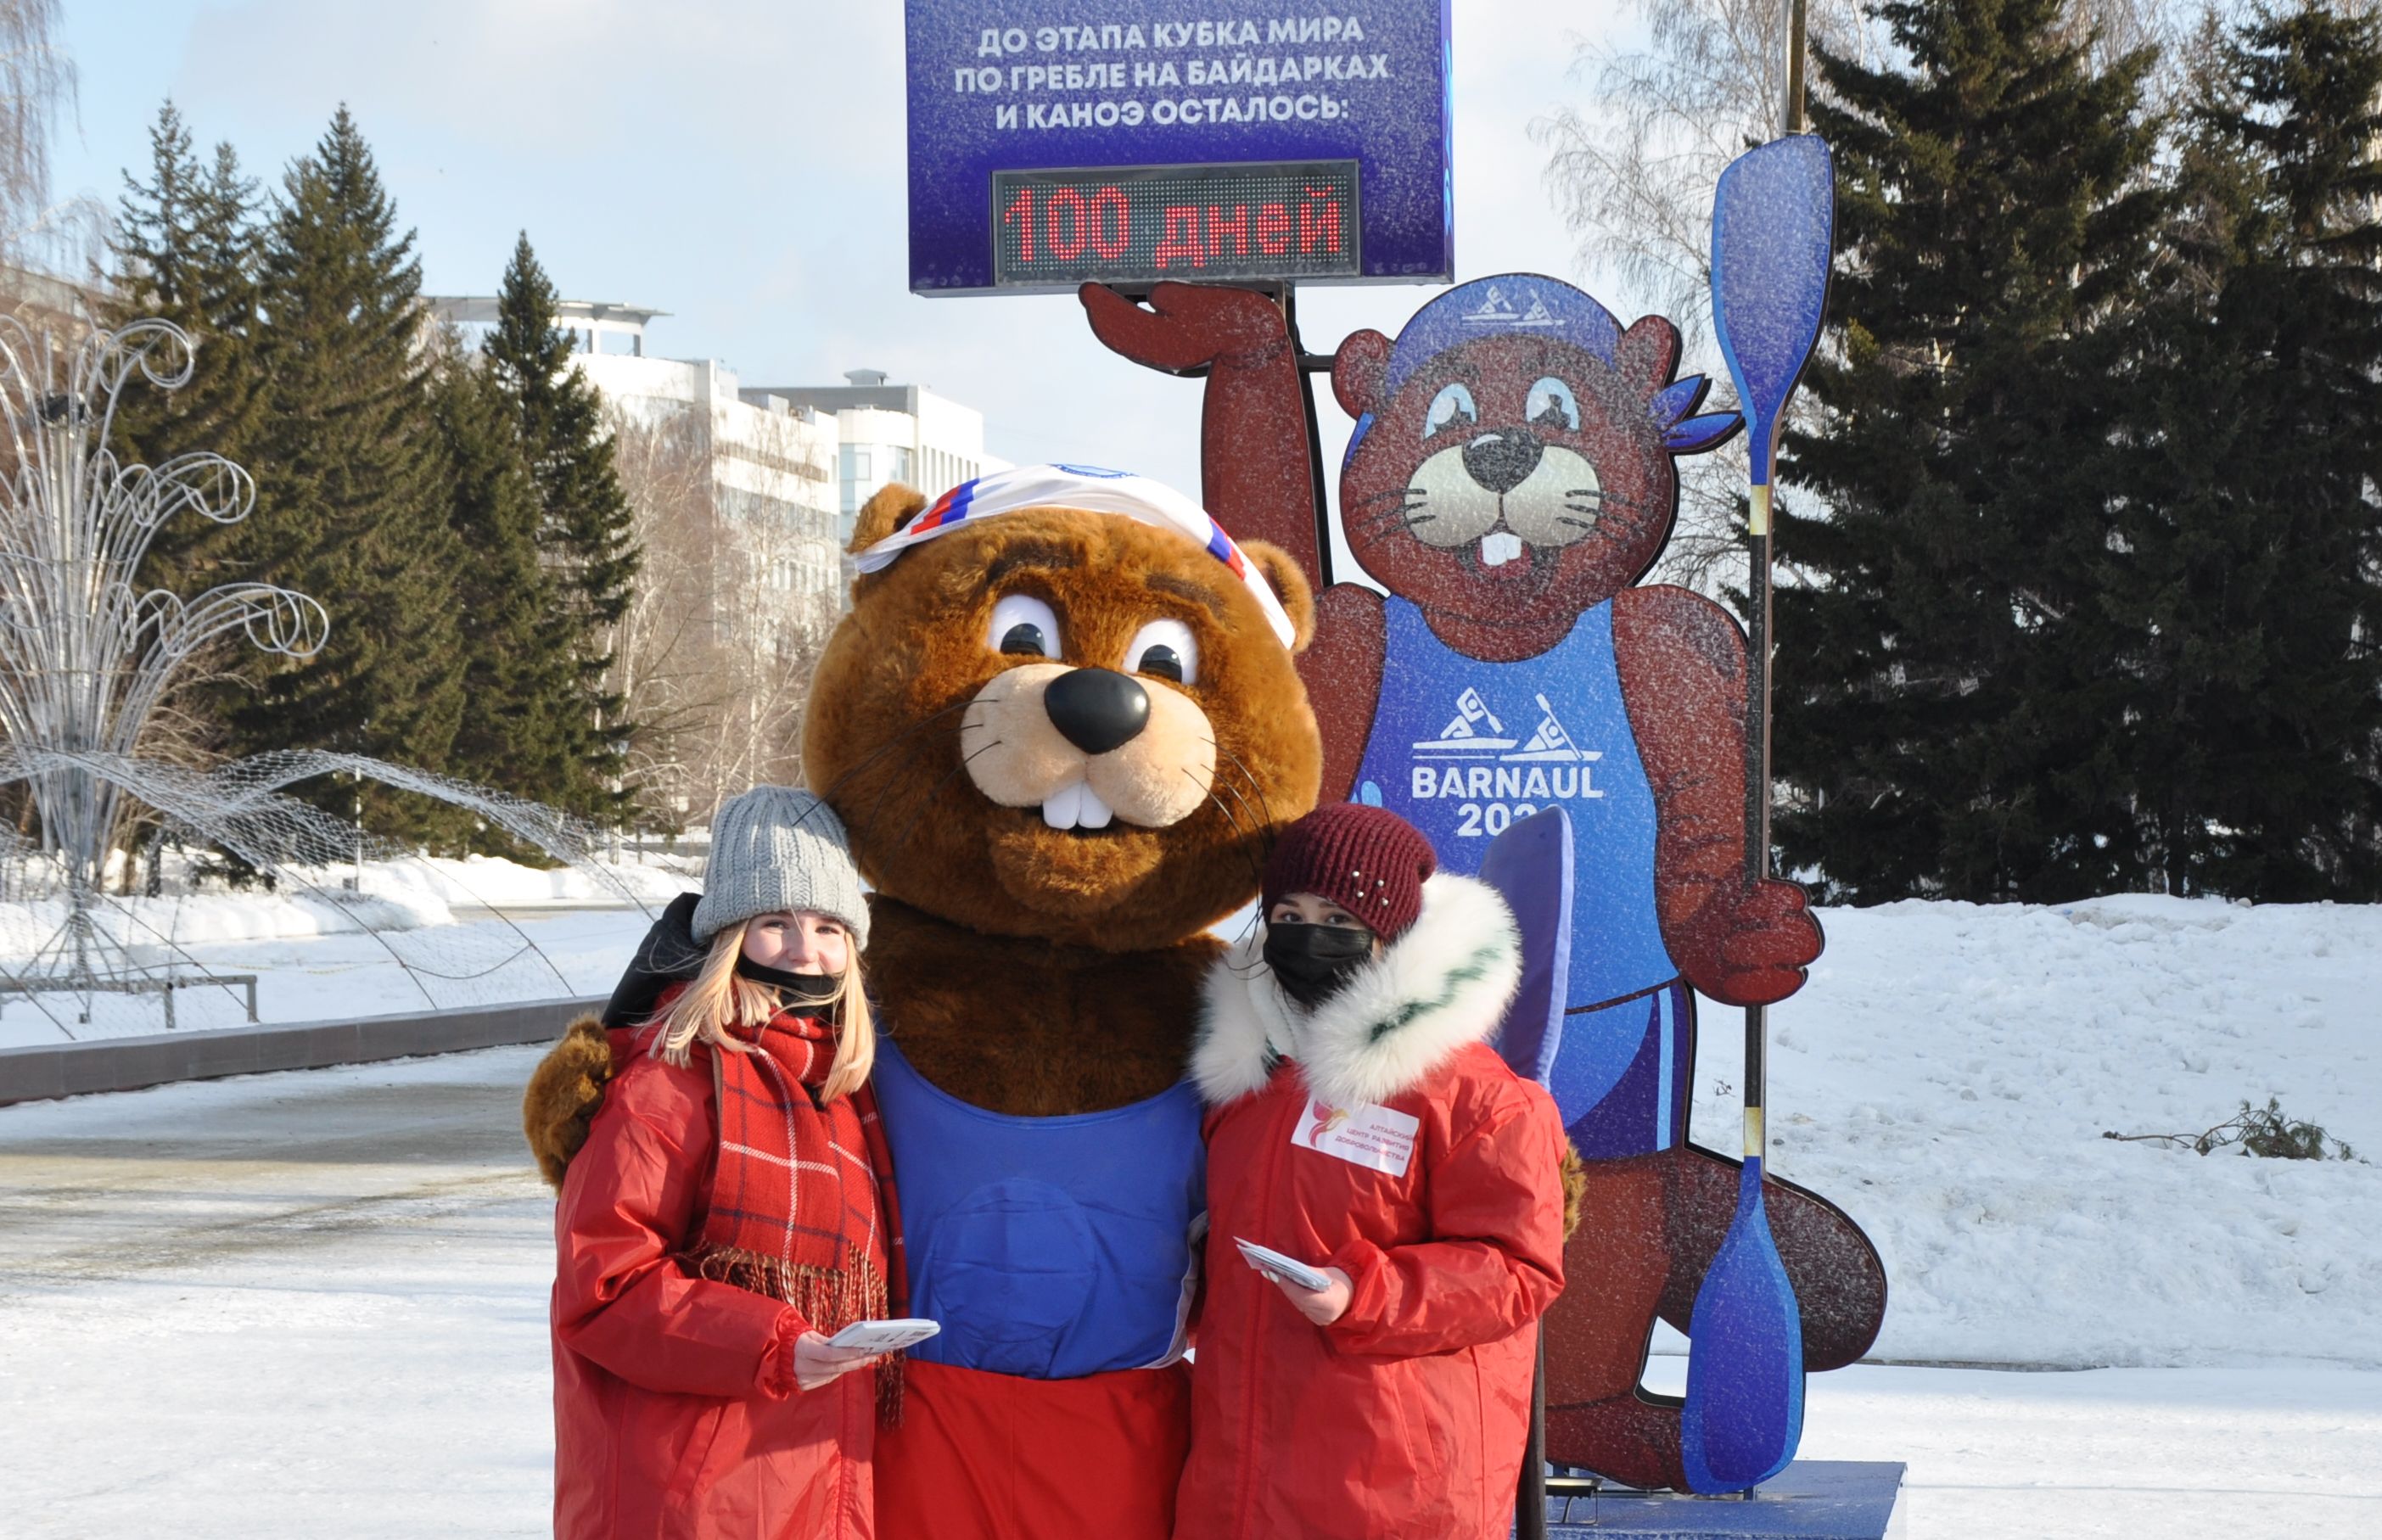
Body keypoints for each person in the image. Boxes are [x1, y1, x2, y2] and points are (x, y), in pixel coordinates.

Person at [1176, 804, 1568, 1539]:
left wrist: (1366, 1293)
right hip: (1243, 1473)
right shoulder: (1247, 1080)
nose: (1306, 934)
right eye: (1286, 914)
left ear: (1392, 927)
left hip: (1392, 1486)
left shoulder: (1476, 1095)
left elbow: (1518, 1269)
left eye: (1335, 913)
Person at [546, 787, 903, 1540]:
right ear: (729, 934)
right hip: (688, 1496)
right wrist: (774, 1344)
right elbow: (605, 1286)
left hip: (818, 1483)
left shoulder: (841, 1088)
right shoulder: (668, 1078)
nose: (806, 949)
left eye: (830, 926)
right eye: (776, 922)